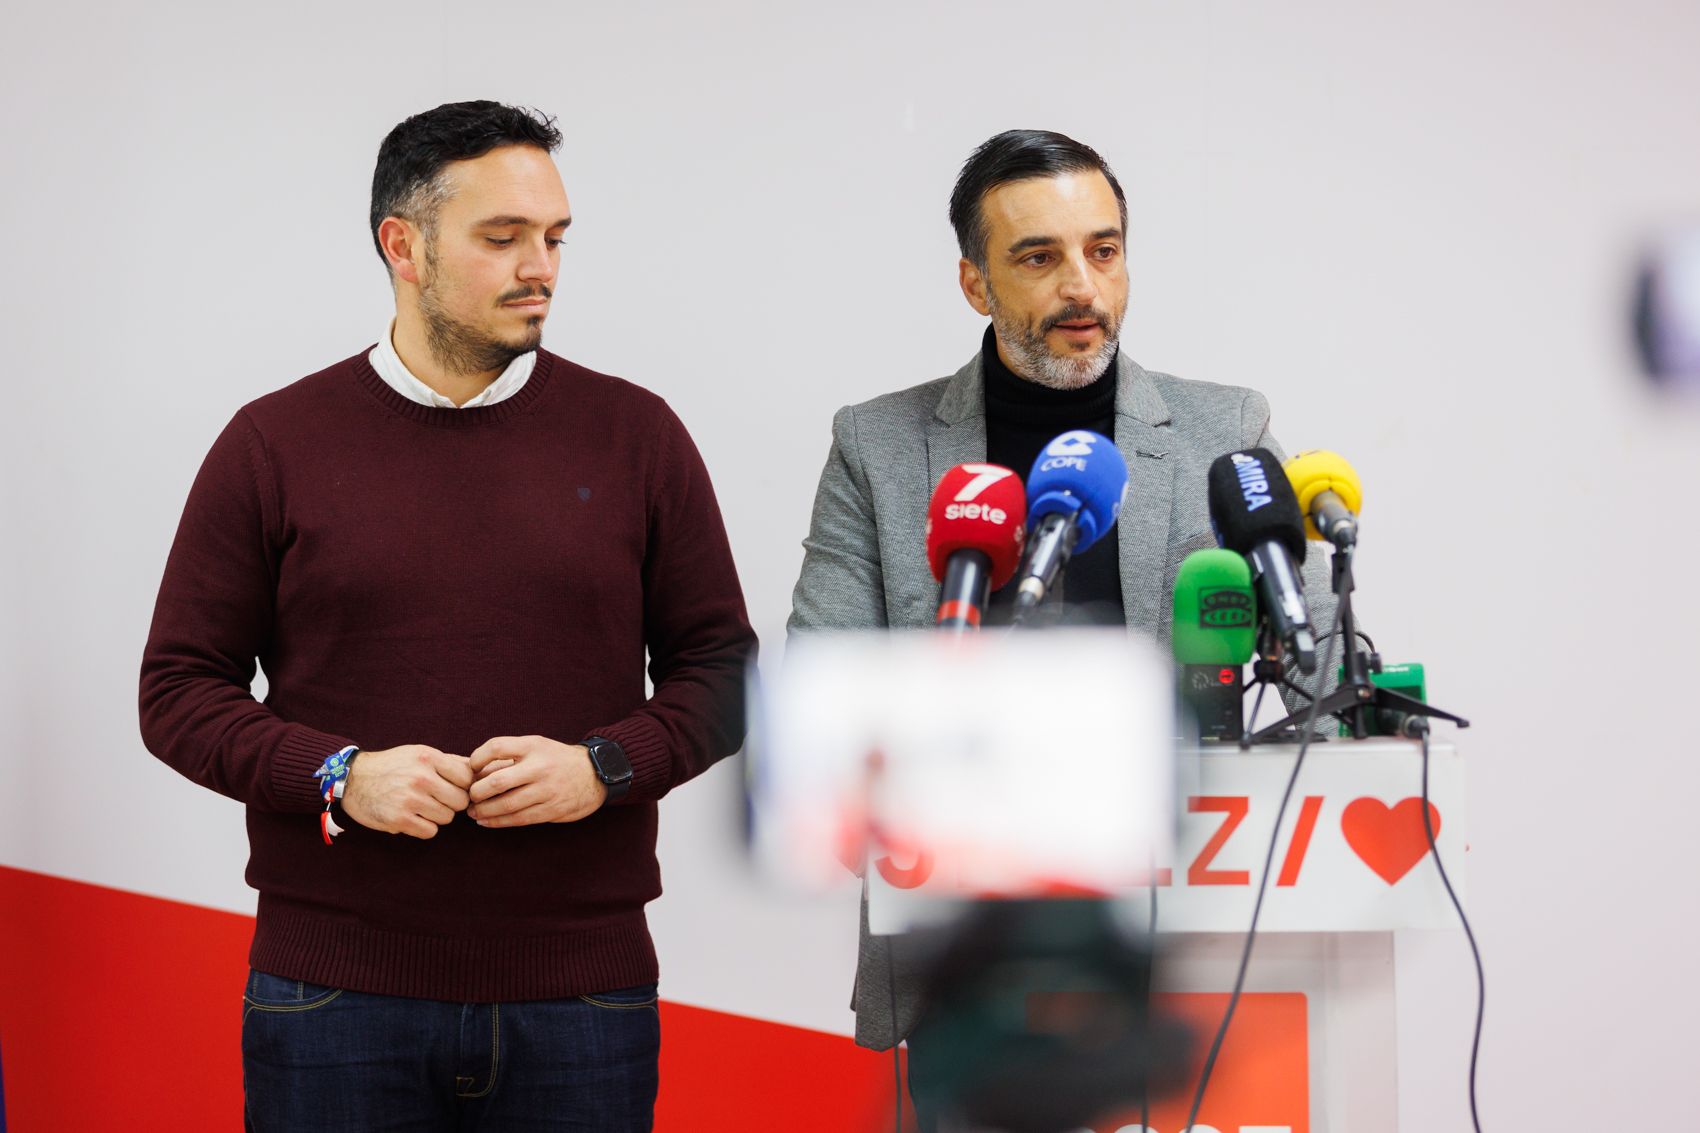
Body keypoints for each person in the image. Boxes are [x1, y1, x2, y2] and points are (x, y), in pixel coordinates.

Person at [138, 100, 755, 1132]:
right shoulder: (272, 443)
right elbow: (178, 692)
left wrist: (600, 764)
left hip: (582, 996)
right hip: (333, 993)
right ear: (404, 245)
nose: (540, 266)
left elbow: (724, 671)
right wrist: (338, 773)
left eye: (554, 236)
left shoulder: (635, 435)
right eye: (502, 236)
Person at [786, 128, 1335, 1125]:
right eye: (1038, 256)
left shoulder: (1226, 432)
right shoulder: (875, 445)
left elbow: (1316, 658)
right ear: (973, 280)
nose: (1082, 285)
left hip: (1187, 946)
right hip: (963, 966)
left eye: (1104, 249)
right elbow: (823, 682)